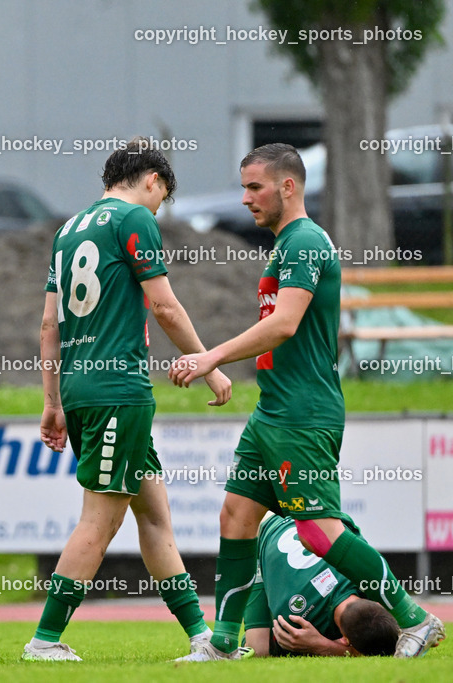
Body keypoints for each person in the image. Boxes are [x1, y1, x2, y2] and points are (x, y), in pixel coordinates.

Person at [169, 143, 445, 660]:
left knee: (318, 531)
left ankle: (415, 617)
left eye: (255, 187)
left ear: (287, 187)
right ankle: (225, 642)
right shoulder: (284, 245)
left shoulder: (305, 242)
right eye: (244, 186)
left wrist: (213, 357)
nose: (246, 197)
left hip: (304, 410)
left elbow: (285, 323)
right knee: (235, 517)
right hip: (273, 410)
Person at [21, 138, 234, 662]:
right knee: (102, 518)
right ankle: (44, 640)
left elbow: (49, 324)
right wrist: (207, 364)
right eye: (161, 199)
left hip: (81, 387)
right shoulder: (135, 219)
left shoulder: (68, 230)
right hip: (119, 391)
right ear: (153, 181)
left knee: (155, 516)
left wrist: (53, 402)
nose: (158, 209)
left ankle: (201, 638)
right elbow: (164, 307)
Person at [245, 513, 399, 657]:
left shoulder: (373, 578)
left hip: (310, 513)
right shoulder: (295, 622)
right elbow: (286, 644)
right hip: (257, 529)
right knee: (259, 649)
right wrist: (325, 646)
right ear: (345, 639)